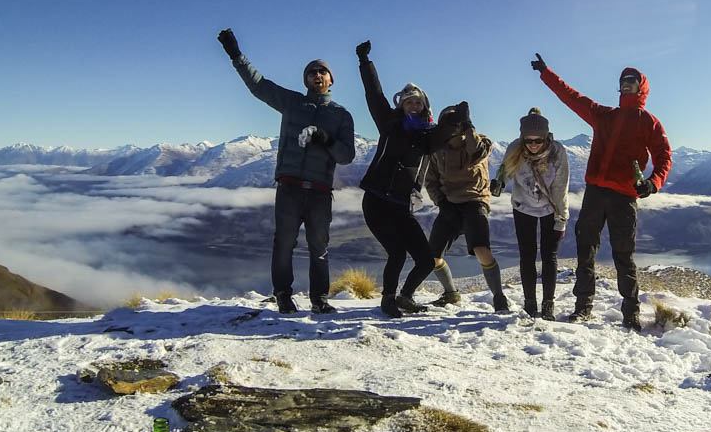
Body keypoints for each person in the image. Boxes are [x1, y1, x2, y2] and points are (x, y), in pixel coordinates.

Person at [217, 28, 355, 314]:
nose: (317, 75)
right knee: (283, 245)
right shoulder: (292, 102)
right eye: (311, 72)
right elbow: (259, 85)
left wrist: (325, 139)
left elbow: (347, 156)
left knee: (319, 247)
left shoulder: (341, 115)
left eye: (322, 72)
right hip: (290, 188)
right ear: (306, 80)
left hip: (319, 192)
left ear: (331, 80)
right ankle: (283, 295)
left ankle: (319, 300)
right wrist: (236, 55)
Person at [531, 53, 671, 329]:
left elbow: (664, 156)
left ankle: (631, 313)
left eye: (631, 81)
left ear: (641, 87)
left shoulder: (648, 122)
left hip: (624, 196)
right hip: (595, 192)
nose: (625, 84)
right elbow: (571, 97)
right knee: (586, 250)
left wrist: (653, 183)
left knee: (623, 254)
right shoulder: (603, 115)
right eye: (622, 81)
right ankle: (583, 306)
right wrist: (546, 73)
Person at [354, 39, 436, 317]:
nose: (413, 105)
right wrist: (365, 62)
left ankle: (405, 296)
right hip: (377, 201)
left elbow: (450, 131)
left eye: (418, 102)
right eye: (408, 102)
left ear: (425, 106)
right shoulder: (389, 125)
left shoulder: (428, 136)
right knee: (397, 253)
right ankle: (388, 299)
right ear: (400, 106)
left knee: (426, 260)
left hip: (402, 205)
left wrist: (461, 120)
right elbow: (373, 94)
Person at [424, 102, 510, 312]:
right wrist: (442, 202)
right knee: (431, 257)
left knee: (481, 249)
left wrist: (469, 127)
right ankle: (451, 292)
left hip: (475, 201)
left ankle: (498, 296)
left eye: (457, 124)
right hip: (450, 204)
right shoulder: (437, 151)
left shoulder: (480, 141)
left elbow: (478, 152)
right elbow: (431, 181)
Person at [491, 108, 570, 319]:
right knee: (527, 256)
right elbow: (505, 172)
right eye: (528, 140)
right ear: (522, 138)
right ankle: (530, 303)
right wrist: (499, 184)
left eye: (537, 140)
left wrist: (561, 218)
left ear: (546, 138)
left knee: (549, 256)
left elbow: (560, 187)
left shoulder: (558, 153)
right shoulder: (515, 149)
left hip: (550, 209)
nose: (533, 144)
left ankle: (548, 305)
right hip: (523, 207)